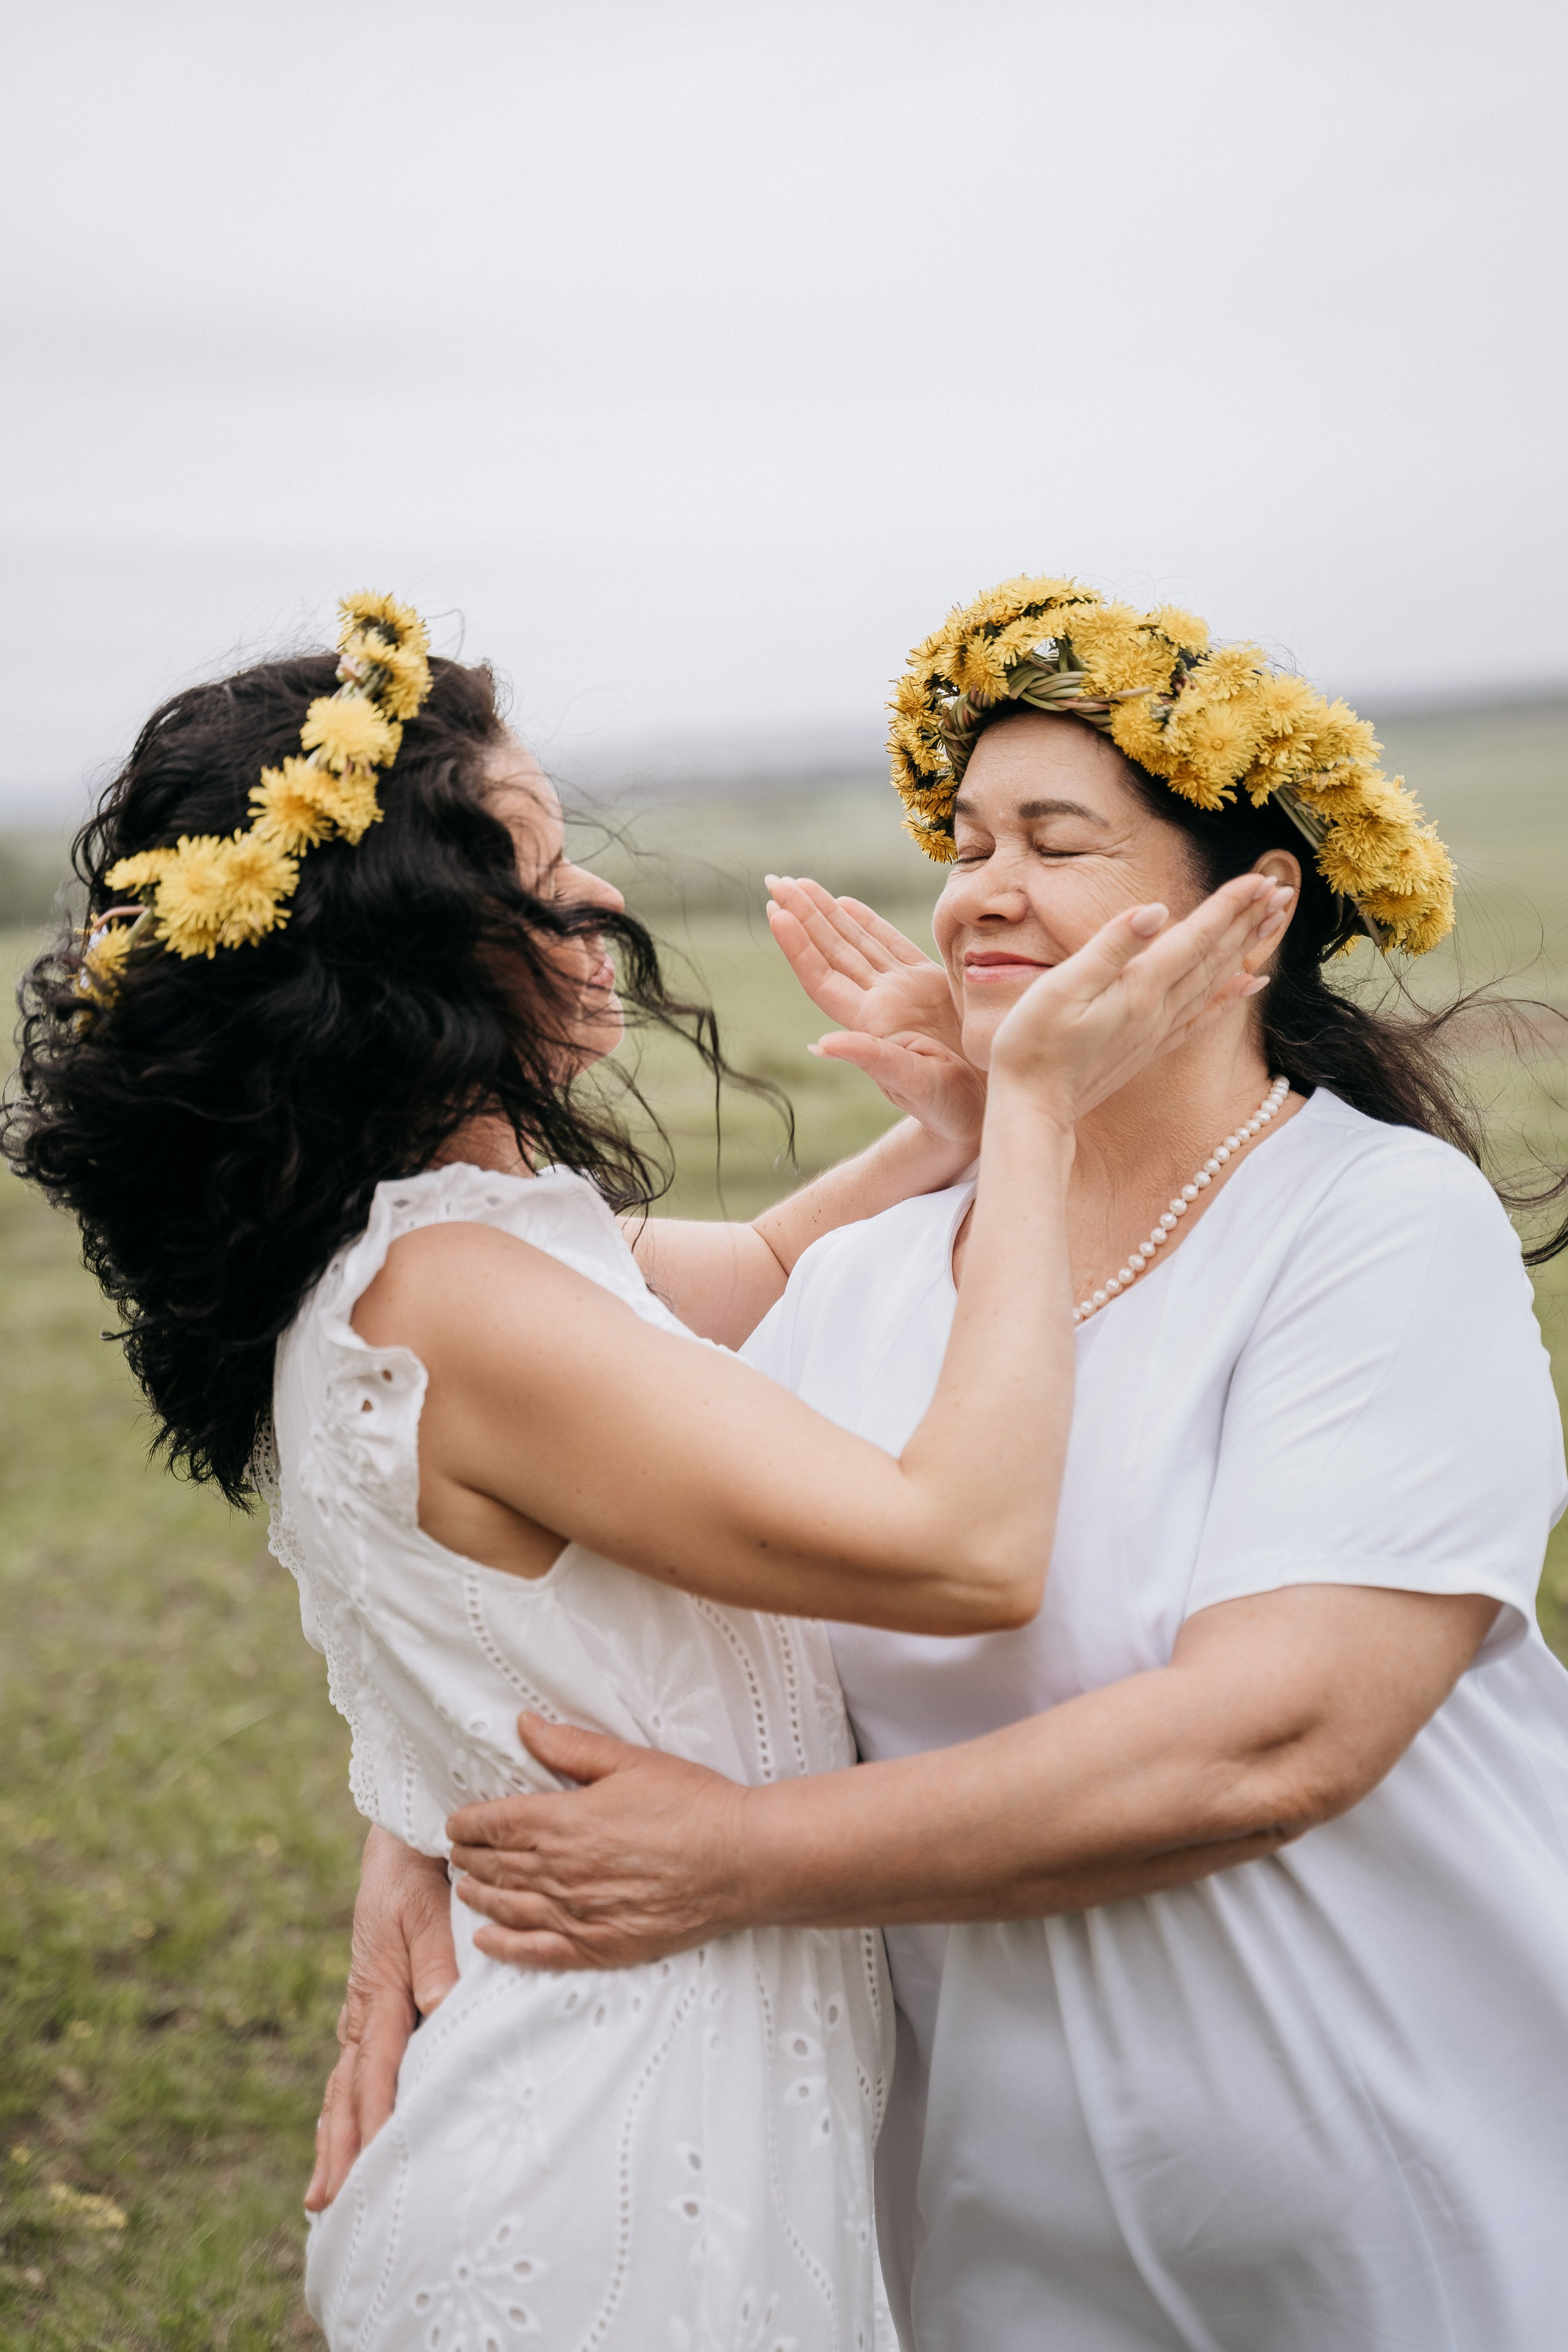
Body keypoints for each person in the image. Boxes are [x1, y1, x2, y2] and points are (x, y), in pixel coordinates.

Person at [4, 589, 1283, 2351]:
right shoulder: (460, 1299)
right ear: (407, 960)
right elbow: (968, 1547)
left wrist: (953, 1134)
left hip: (659, 2094)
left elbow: (746, 1279)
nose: (598, 897)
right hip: (606, 2174)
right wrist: (1046, 1119)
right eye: (537, 868)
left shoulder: (456, 1248)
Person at [337, 576, 1568, 2351]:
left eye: (1057, 844)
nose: (982, 888)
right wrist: (422, 1816)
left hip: (1381, 2181)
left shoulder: (1372, 1224)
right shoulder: (872, 1279)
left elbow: (1276, 1736)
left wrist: (742, 1857)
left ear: (1252, 912)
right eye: (969, 841)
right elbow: (570, 1540)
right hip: (987, 2229)